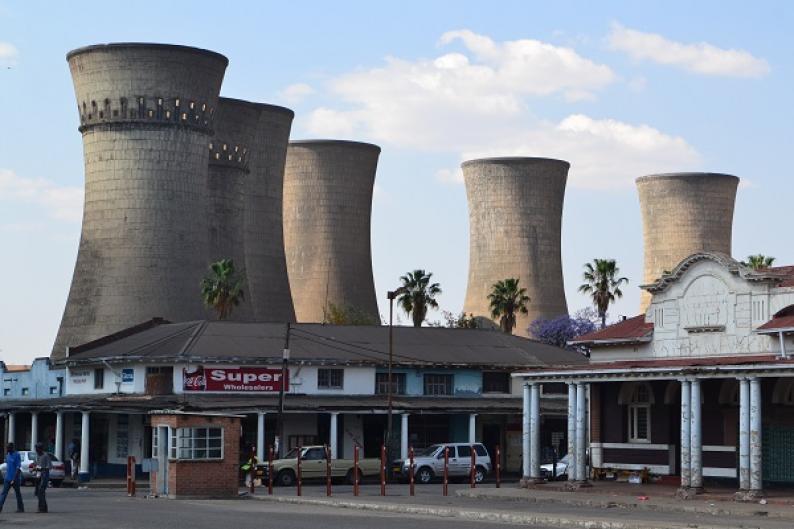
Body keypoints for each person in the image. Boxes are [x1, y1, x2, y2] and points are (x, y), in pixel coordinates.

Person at [0, 442, 24, 513]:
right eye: (7, 448)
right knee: (3, 493)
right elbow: (8, 466)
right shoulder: (8, 455)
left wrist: (14, 478)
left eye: (8, 448)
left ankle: (21, 508)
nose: (7, 449)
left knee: (18, 494)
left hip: (15, 479)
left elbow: (18, 468)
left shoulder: (17, 455)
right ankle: (0, 507)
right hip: (7, 478)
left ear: (12, 448)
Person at [33, 442, 51, 513]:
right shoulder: (37, 456)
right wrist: (34, 468)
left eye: (37, 448)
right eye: (36, 449)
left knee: (41, 491)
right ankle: (43, 507)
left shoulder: (45, 456)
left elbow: (50, 466)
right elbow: (35, 464)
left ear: (41, 449)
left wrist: (42, 468)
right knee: (38, 492)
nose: (36, 450)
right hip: (38, 475)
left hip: (44, 475)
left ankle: (42, 508)